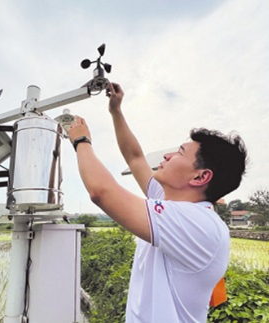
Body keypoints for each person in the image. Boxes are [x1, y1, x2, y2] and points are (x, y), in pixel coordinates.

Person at [67, 82, 248, 323]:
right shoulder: (170, 203)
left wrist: (81, 141)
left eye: (180, 153)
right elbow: (135, 157)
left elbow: (102, 192)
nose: (167, 156)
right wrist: (116, 111)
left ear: (200, 177)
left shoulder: (197, 222)